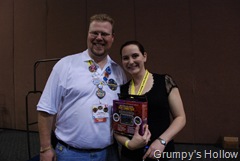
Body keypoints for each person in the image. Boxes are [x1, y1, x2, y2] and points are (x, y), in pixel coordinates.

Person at [37, 13, 127, 161]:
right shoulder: (65, 65)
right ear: (88, 35)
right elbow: (46, 109)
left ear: (112, 38)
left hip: (110, 153)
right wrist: (45, 148)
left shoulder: (118, 72)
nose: (99, 38)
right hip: (70, 154)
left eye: (104, 34)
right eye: (94, 33)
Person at [114, 40, 186, 161]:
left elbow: (180, 117)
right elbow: (117, 128)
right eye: (125, 58)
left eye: (135, 56)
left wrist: (162, 141)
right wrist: (129, 144)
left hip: (160, 153)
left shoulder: (164, 81)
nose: (131, 61)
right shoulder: (122, 89)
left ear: (144, 56)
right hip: (130, 156)